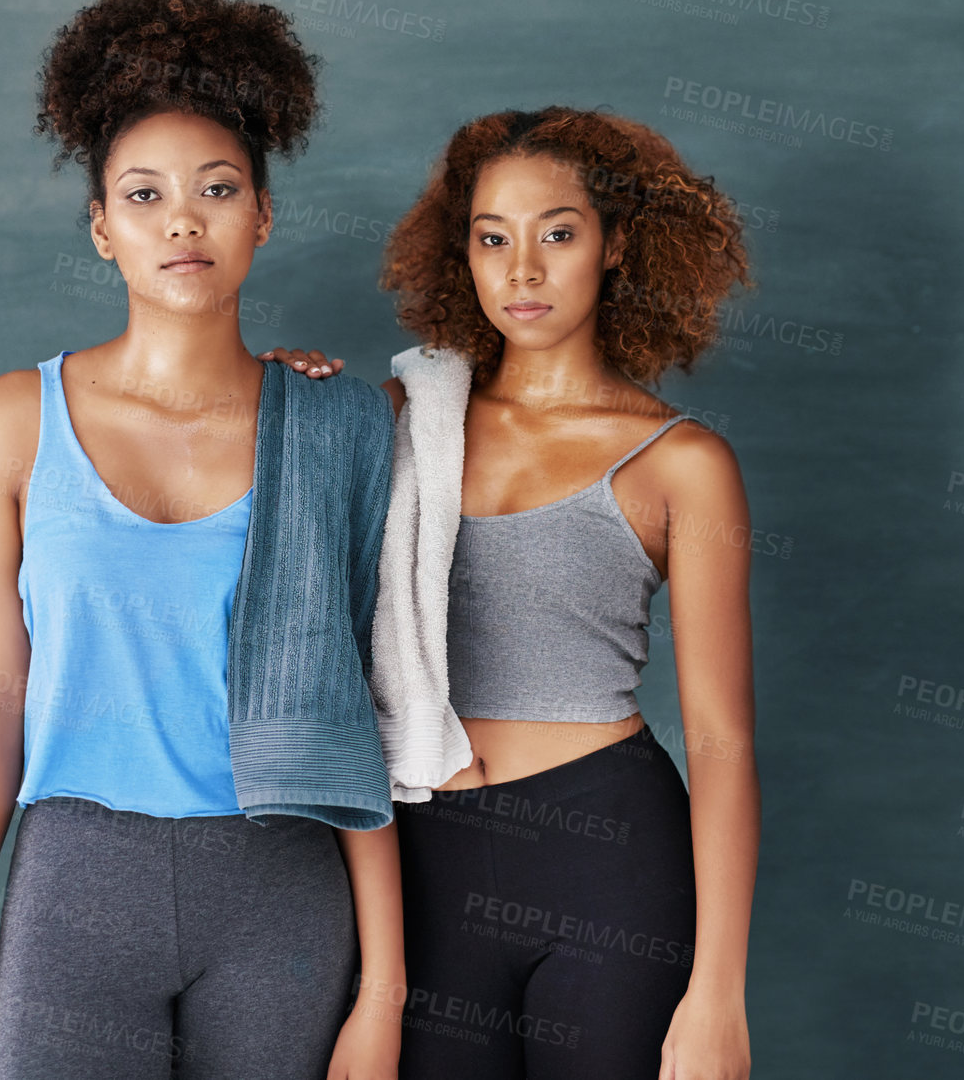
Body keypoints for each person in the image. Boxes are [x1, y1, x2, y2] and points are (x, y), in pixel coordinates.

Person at [0, 0, 406, 1080]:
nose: (182, 219)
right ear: (99, 229)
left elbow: (369, 702)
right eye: (142, 195)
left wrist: (384, 990)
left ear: (263, 217)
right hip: (78, 885)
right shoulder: (12, 422)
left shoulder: (334, 424)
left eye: (218, 189)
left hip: (283, 888)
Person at [260, 106, 759, 1079]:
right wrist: (274, 404)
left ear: (617, 244)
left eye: (556, 234)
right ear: (464, 254)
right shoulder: (405, 418)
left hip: (608, 857)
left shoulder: (681, 462)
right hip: (427, 859)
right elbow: (275, 555)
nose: (521, 270)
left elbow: (723, 742)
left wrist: (718, 996)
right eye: (492, 238)